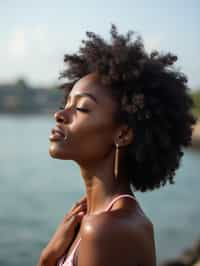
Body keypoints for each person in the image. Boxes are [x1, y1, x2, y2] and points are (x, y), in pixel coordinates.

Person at [37, 24, 197, 266]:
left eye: (81, 108)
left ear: (122, 134)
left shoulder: (105, 229)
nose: (60, 114)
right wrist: (49, 257)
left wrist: (46, 260)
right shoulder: (95, 219)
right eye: (67, 103)